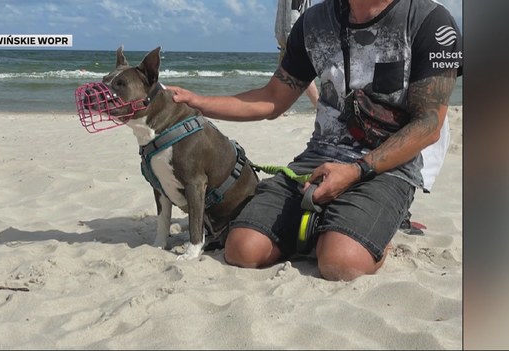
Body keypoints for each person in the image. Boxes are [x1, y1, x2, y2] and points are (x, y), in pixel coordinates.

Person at [167, 0, 462, 281]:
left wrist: (355, 171)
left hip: (385, 167)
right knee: (243, 249)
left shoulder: (431, 22)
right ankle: (335, 229)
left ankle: (374, 235)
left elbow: (429, 124)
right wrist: (197, 101)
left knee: (340, 262)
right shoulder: (314, 22)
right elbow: (272, 99)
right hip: (318, 158)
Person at [275, 0, 319, 109]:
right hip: (288, 40)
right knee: (281, 75)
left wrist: (291, 39)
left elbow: (294, 13)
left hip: (292, 39)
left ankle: (320, 106)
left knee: (303, 76)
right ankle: (279, 110)